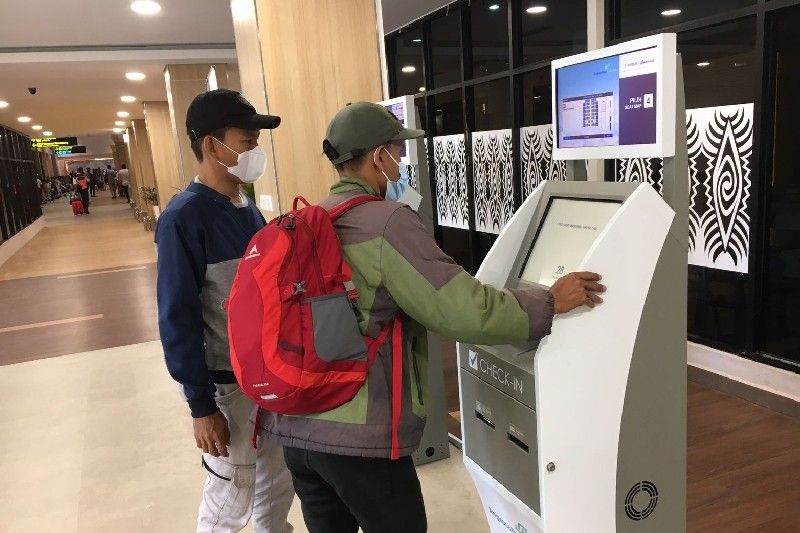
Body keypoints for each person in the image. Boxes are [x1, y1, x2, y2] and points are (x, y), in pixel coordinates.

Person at [258, 102, 606, 533]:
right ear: (377, 156)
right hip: (358, 437)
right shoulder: (386, 223)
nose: (401, 162)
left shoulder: (309, 221)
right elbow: (460, 308)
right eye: (396, 152)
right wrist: (548, 300)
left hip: (298, 428)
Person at [155, 89, 294, 533]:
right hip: (225, 385)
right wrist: (200, 405)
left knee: (276, 481)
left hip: (264, 374)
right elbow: (177, 317)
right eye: (247, 140)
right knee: (232, 492)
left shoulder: (244, 206)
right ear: (212, 145)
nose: (255, 150)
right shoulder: (184, 218)